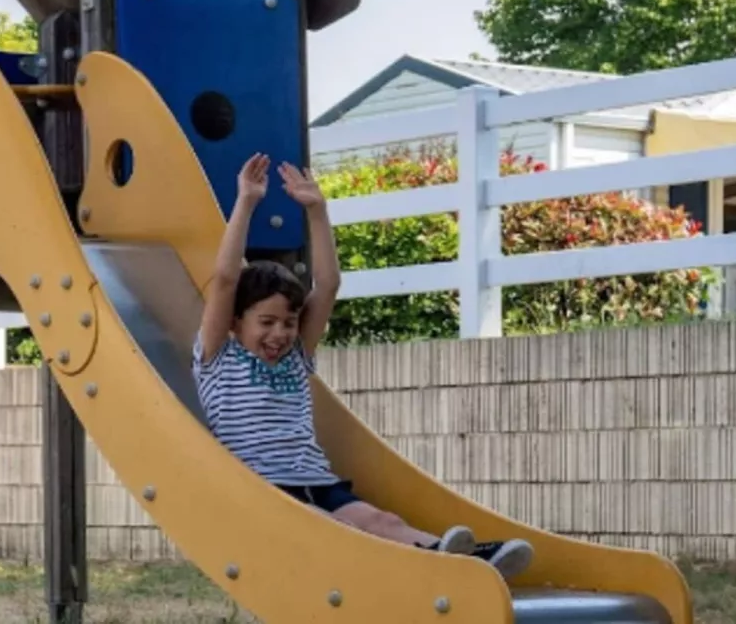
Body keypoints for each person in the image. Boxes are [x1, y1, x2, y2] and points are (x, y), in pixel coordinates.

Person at [192, 152, 534, 579]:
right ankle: (433, 569)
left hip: (315, 480)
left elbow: (329, 283)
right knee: (338, 532)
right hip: (264, 492)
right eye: (266, 322)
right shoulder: (217, 357)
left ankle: (460, 560)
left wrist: (318, 209)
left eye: (289, 322)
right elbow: (224, 278)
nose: (279, 333)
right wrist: (246, 202)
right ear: (234, 323)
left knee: (382, 522)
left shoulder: (297, 356)